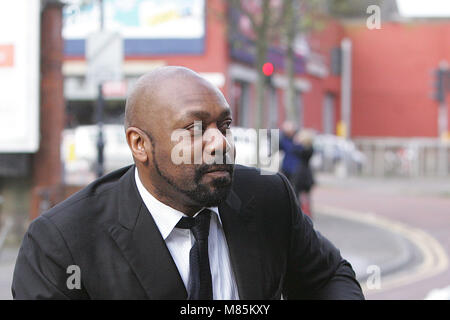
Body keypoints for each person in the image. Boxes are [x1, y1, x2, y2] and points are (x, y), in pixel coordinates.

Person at [12, 66, 364, 300]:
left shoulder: (267, 196)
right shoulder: (61, 243)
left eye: (224, 126)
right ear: (140, 145)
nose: (220, 143)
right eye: (195, 129)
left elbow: (330, 277)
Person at [291, 129, 316, 217]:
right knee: (306, 196)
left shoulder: (304, 149)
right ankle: (306, 211)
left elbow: (294, 150)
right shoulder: (310, 148)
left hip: (301, 174)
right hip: (306, 174)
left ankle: (302, 212)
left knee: (299, 194)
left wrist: (296, 142)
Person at [279, 121, 299, 185]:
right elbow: (280, 148)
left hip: (295, 167)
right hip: (286, 166)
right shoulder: (284, 139)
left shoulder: (296, 139)